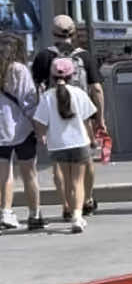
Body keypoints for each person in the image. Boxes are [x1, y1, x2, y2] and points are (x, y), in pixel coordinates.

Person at [31, 15, 105, 219]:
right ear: (73, 33)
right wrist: (100, 118)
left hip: (54, 116)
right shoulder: (86, 56)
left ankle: (65, 204)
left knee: (59, 166)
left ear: (52, 33)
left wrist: (40, 123)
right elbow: (96, 88)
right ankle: (87, 200)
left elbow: (36, 89)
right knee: (86, 161)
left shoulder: (43, 57)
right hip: (81, 115)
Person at [32, 56, 96, 231]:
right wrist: (92, 138)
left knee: (67, 181)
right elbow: (87, 120)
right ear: (72, 75)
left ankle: (69, 207)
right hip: (79, 142)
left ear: (52, 76)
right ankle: (77, 215)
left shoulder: (47, 96)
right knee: (78, 181)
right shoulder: (79, 93)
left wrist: (42, 135)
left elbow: (39, 121)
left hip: (58, 144)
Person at [0, 34, 43, 231]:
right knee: (29, 174)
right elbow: (29, 102)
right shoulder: (20, 70)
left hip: (1, 131)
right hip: (22, 129)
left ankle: (6, 212)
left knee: (4, 174)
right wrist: (39, 128)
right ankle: (34, 214)